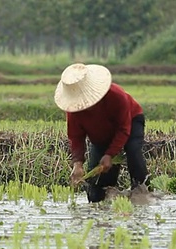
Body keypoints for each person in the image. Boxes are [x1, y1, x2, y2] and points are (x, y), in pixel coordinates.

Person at [53, 63, 149, 203]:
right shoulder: (74, 110)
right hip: (100, 135)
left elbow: (124, 129)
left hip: (131, 121)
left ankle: (142, 192)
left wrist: (110, 154)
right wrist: (77, 164)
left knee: (133, 151)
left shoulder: (116, 96)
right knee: (97, 191)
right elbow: (76, 137)